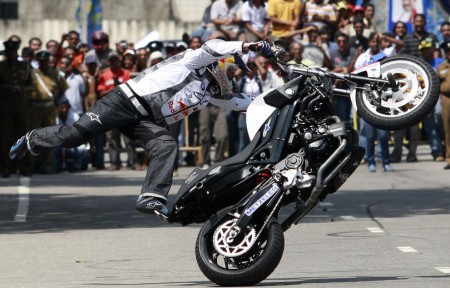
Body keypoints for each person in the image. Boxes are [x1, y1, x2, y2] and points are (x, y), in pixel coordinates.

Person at [10, 39, 272, 217]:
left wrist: (286, 95)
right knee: (73, 137)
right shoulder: (193, 61)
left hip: (144, 120)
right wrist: (252, 45)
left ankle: (151, 197)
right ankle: (34, 139)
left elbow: (249, 103)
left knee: (166, 144)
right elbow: (212, 46)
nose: (237, 75)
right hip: (122, 102)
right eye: (236, 68)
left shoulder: (212, 94)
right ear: (223, 62)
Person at [354, 33, 393, 172]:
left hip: (383, 99)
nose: (374, 44)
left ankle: (386, 161)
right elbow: (355, 74)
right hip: (367, 98)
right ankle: (370, 161)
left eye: (377, 41)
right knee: (369, 135)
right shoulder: (363, 57)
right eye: (372, 41)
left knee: (383, 135)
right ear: (369, 43)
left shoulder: (385, 56)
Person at [29, 50, 69, 174]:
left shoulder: (55, 73)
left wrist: (55, 99)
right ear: (38, 61)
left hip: (49, 107)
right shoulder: (31, 73)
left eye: (45, 61)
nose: (44, 63)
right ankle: (32, 166)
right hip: (35, 107)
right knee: (33, 136)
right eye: (41, 61)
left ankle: (47, 166)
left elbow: (63, 88)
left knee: (49, 136)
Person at [0, 40, 34, 178]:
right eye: (9, 52)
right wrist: (6, 88)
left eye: (13, 51)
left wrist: (22, 89)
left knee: (23, 137)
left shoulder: (24, 66)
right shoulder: (1, 67)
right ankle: (6, 168)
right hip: (5, 107)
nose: (11, 54)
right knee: (5, 138)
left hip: (21, 106)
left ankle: (25, 168)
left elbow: (31, 85)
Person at [437, 41, 450, 169]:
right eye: (448, 52)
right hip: (446, 99)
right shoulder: (441, 67)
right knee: (447, 130)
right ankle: (449, 158)